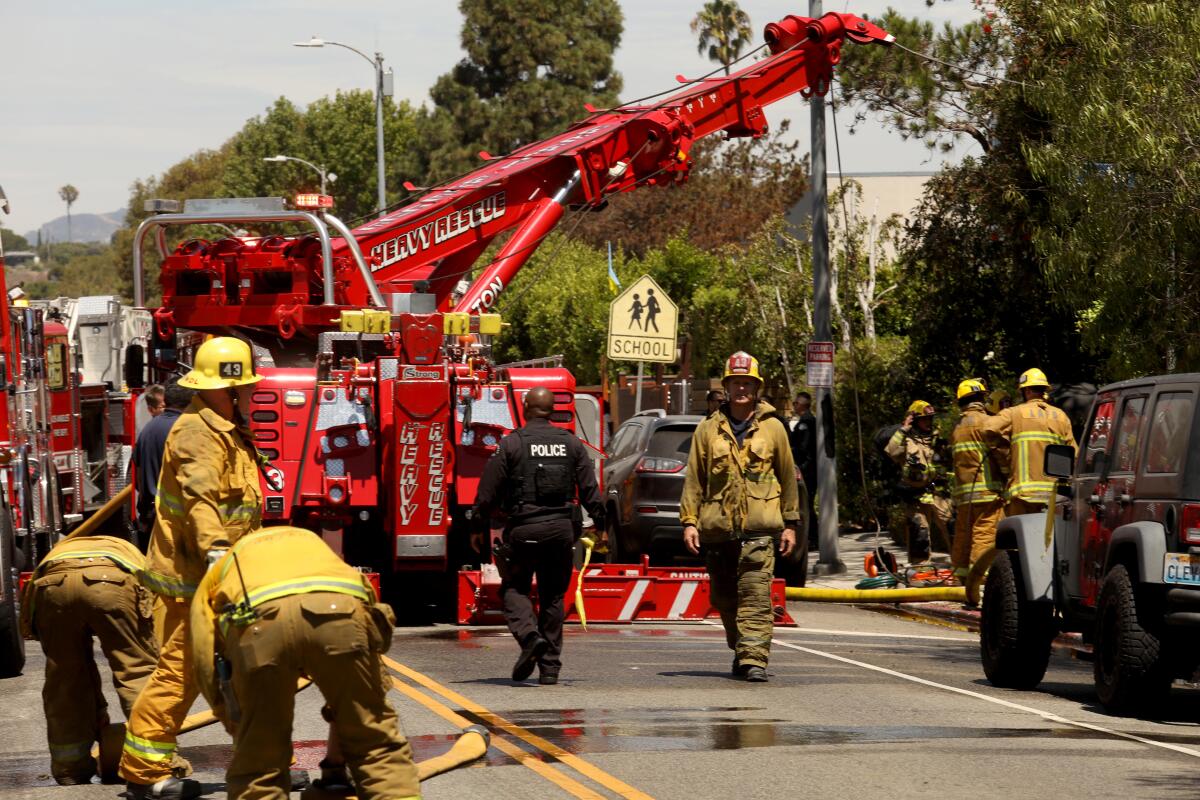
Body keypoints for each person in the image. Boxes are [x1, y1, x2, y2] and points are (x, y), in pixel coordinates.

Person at [119, 337, 265, 799]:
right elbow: (202, 502)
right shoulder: (199, 434)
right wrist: (219, 559)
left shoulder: (224, 428)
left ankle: (259, 762)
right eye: (244, 386)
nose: (251, 394)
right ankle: (144, 770)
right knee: (180, 676)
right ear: (226, 388)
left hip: (217, 582)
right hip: (195, 586)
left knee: (238, 674)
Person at [189, 526, 420, 799]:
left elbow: (203, 651)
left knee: (259, 767)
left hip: (257, 627)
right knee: (376, 746)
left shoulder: (228, 564)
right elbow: (368, 621)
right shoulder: (314, 547)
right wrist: (337, 765)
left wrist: (234, 718)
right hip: (339, 613)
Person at [471, 386, 605, 686]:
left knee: (513, 590)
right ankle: (549, 669)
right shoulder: (571, 444)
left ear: (525, 406)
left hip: (524, 529)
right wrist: (602, 525)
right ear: (551, 409)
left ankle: (531, 638)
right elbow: (590, 491)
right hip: (561, 531)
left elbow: (486, 493)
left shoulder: (512, 444)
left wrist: (476, 527)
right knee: (553, 597)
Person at [680, 352, 800, 682]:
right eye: (736, 383)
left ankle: (753, 660)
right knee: (724, 597)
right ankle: (741, 646)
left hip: (760, 527)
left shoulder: (774, 429)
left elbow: (788, 476)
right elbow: (695, 477)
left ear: (756, 388)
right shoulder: (707, 430)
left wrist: (791, 524)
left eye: (748, 383)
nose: (742, 389)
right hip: (718, 528)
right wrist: (689, 521)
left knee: (756, 594)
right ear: (727, 387)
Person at [19, 534, 157, 785]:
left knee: (66, 677)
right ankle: (150, 765)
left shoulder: (61, 549)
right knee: (136, 671)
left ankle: (70, 768)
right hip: (114, 582)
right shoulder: (133, 554)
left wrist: (98, 713)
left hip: (52, 584)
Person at [990, 368, 1077, 516]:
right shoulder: (1061, 416)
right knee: (1049, 538)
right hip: (1054, 496)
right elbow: (1074, 455)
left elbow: (988, 428)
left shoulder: (1013, 413)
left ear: (1028, 391)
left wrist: (1003, 448)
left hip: (1023, 496)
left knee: (1018, 537)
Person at [950, 378, 1009, 581]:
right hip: (987, 490)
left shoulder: (957, 427)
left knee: (964, 536)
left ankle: (960, 578)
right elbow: (1000, 453)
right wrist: (1008, 473)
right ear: (982, 398)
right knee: (985, 533)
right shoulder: (988, 422)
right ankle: (982, 580)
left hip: (964, 495)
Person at [884, 401, 953, 562]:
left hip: (939, 494)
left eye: (930, 419)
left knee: (953, 528)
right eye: (924, 419)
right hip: (916, 496)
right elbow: (891, 451)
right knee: (918, 533)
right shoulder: (906, 440)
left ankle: (962, 566)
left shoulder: (937, 438)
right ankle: (920, 570)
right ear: (915, 421)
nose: (928, 422)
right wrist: (904, 428)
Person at [132, 380, 193, 552]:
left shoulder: (147, 430)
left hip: (150, 517)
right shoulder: (184, 429)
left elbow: (137, 478)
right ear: (190, 402)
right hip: (174, 522)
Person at [787, 391, 818, 546]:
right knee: (808, 505)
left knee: (807, 505)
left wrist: (801, 468)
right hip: (809, 469)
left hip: (808, 471)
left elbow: (804, 449)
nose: (794, 406)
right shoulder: (808, 421)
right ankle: (813, 537)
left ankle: (814, 537)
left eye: (795, 403)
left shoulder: (806, 423)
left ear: (801, 405)